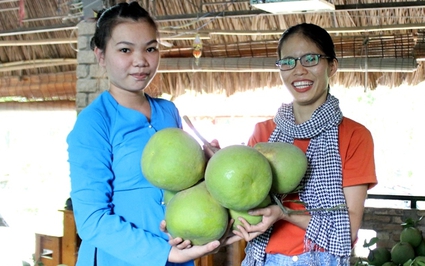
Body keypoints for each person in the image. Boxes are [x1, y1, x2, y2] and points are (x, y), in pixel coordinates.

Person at [66, 2, 238, 265]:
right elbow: (91, 220)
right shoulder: (94, 123)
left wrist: (208, 162)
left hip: (180, 255)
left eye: (150, 48)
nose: (141, 61)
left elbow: (181, 185)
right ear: (100, 55)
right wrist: (164, 253)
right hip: (119, 259)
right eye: (125, 50)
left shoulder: (168, 111)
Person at [232, 23, 378, 266]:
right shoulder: (263, 134)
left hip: (322, 259)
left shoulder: (355, 136)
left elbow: (349, 228)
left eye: (310, 59)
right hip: (263, 259)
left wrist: (285, 213)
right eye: (288, 62)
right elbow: (243, 204)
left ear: (332, 65)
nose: (298, 70)